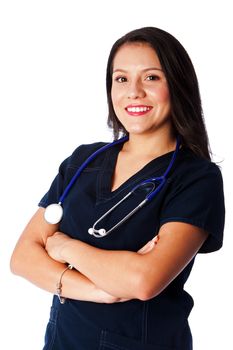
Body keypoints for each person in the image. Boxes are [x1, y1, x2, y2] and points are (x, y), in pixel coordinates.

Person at [10, 27, 225, 350]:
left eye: (151, 78)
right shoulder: (83, 161)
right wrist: (102, 290)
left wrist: (63, 247)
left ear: (177, 85)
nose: (134, 92)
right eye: (121, 79)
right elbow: (22, 258)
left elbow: (144, 280)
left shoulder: (195, 178)